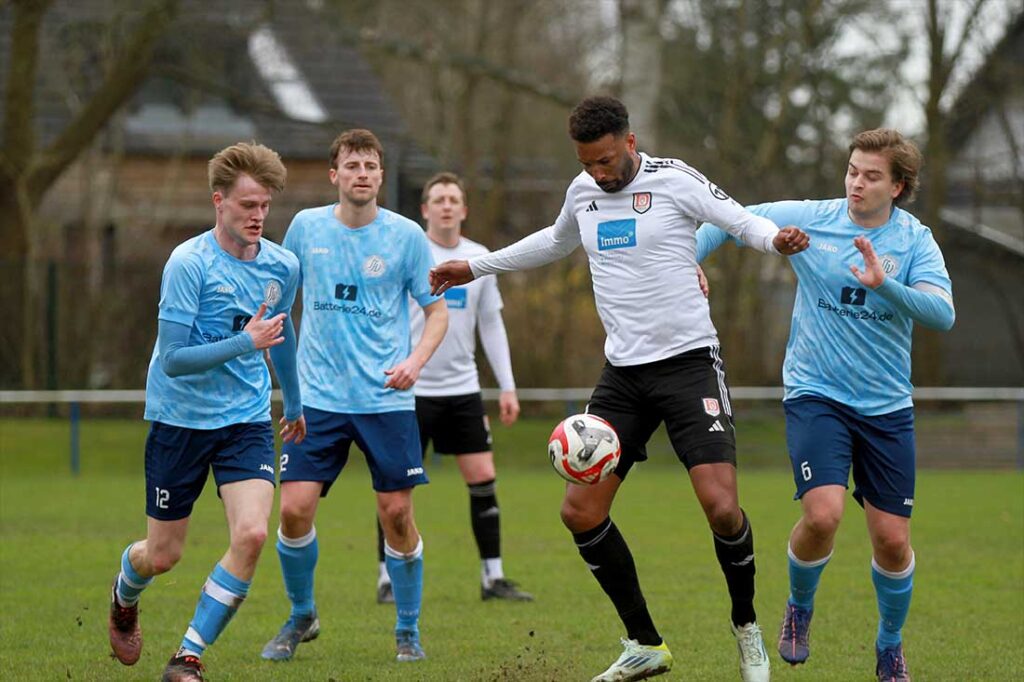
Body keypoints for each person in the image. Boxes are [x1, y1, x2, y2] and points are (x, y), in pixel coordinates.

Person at [429, 96, 809, 682]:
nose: (598, 174)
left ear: (630, 143)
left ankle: (747, 628)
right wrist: (475, 267)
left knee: (722, 507)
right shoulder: (581, 191)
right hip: (623, 375)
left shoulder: (676, 180)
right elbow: (555, 242)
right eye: (587, 164)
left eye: (605, 161)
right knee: (579, 510)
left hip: (689, 365)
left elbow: (738, 219)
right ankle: (644, 643)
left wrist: (774, 241)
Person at [697, 129, 954, 682]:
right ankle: (799, 608)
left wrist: (886, 285)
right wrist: (686, 264)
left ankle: (889, 645)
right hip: (817, 394)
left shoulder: (914, 241)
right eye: (852, 170)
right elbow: (731, 217)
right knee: (823, 515)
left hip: (886, 407)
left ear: (899, 186)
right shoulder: (813, 217)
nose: (856, 182)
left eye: (871, 175)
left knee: (892, 541)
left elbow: (942, 315)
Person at [107, 142, 305, 682]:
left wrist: (294, 397)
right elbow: (172, 361)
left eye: (264, 205)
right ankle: (125, 594)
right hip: (180, 421)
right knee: (163, 555)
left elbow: (280, 335)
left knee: (253, 535)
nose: (258, 215)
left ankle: (187, 657)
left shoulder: (283, 264)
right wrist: (245, 343)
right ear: (219, 202)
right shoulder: (188, 264)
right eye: (247, 205)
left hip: (244, 421)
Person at [260, 129, 448, 664]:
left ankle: (407, 629)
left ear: (381, 176)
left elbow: (438, 311)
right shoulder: (305, 228)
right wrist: (287, 391)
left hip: (385, 401)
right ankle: (302, 614)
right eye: (352, 164)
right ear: (334, 175)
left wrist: (414, 363)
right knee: (293, 511)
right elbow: (279, 310)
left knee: (396, 515)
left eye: (371, 165)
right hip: (318, 399)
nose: (362, 173)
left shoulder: (408, 236)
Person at [374, 172, 532, 605]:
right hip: (411, 389)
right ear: (425, 209)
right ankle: (387, 577)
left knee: (483, 478)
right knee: (396, 486)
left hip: (462, 390)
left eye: (453, 199)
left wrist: (507, 387)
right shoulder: (410, 250)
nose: (446, 205)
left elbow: (491, 324)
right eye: (438, 198)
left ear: (463, 209)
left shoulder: (479, 258)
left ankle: (493, 578)